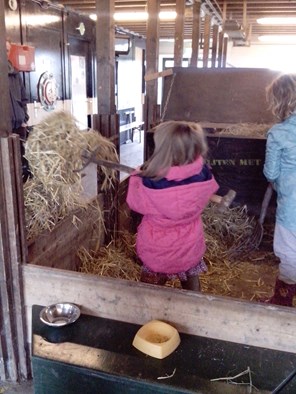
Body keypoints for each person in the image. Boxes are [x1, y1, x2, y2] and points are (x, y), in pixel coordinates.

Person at [126, 120, 219, 291]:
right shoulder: (203, 174)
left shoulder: (149, 180)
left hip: (158, 247)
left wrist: (135, 177)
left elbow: (135, 204)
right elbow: (205, 197)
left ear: (163, 149)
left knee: (151, 289)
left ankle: (150, 309)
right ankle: (194, 306)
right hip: (189, 244)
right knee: (191, 280)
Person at [262, 73, 296, 307]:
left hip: (292, 209)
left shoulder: (278, 133)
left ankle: (282, 303)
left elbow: (271, 173)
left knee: (290, 254)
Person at [6, 38, 31, 181]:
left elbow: (23, 98)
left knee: (21, 161)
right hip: (5, 129)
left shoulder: (15, 74)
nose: (5, 53)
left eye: (7, 50)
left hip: (19, 127)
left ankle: (22, 194)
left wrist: (25, 118)